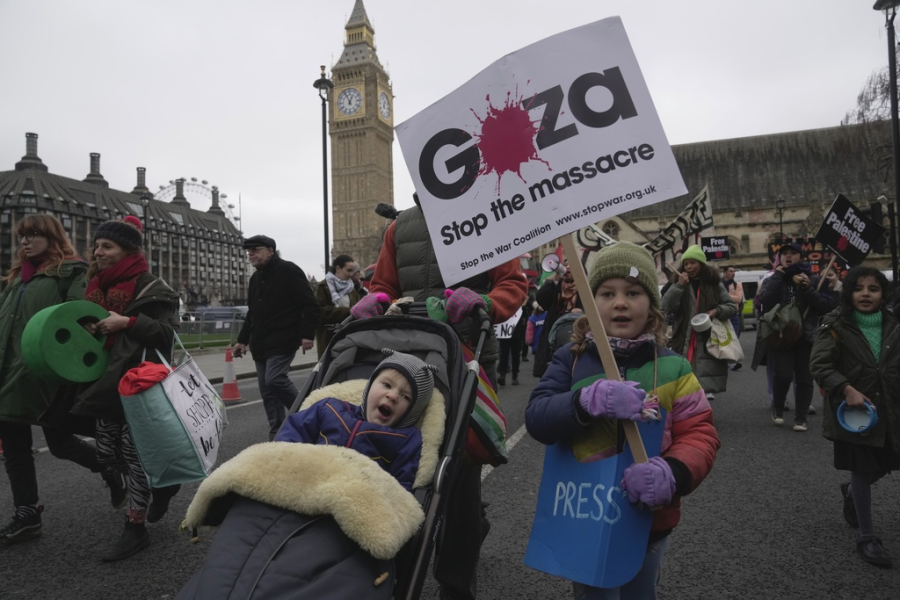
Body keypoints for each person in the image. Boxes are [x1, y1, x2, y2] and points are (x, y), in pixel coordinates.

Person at [526, 241, 720, 599]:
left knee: (640, 592)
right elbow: (538, 418)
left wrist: (673, 473)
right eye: (606, 293)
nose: (620, 302)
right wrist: (585, 401)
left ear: (652, 305)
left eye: (633, 292)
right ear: (590, 301)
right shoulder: (570, 359)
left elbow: (700, 434)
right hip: (584, 515)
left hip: (650, 519)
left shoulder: (675, 367)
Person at [355, 198, 527, 600]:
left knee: (461, 476)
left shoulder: (492, 213)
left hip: (468, 360)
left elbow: (513, 285)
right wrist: (376, 299)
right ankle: (390, 571)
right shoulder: (400, 227)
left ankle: (454, 583)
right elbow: (384, 285)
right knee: (399, 463)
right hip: (406, 359)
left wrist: (485, 303)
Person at [0, 215, 126, 549]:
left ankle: (111, 467)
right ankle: (27, 513)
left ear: (52, 237)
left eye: (33, 235)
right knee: (14, 446)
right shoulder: (17, 279)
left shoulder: (70, 271)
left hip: (44, 374)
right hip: (8, 372)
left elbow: (78, 315)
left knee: (59, 444)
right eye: (22, 237)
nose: (25, 242)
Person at [71, 216, 181, 562]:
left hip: (137, 383)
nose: (97, 252)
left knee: (134, 457)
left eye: (107, 247)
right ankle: (162, 484)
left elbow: (167, 335)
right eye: (97, 246)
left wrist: (127, 322)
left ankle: (135, 527)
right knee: (106, 454)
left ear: (128, 250)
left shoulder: (152, 287)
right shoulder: (93, 286)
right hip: (102, 383)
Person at [810, 267, 899, 568]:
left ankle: (851, 492)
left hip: (892, 409)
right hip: (856, 413)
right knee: (862, 469)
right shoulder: (835, 324)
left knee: (887, 462)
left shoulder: (894, 324)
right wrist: (847, 389)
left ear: (883, 294)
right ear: (848, 294)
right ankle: (867, 536)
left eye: (873, 289)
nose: (865, 294)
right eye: (858, 288)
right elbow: (819, 365)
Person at [276, 349, 437, 492]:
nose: (393, 396)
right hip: (306, 486)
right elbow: (293, 433)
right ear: (369, 387)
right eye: (387, 385)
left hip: (357, 501)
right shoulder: (330, 408)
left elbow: (400, 489)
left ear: (413, 411)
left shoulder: (405, 439)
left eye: (405, 396)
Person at [234, 235, 320, 441]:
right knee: (267, 391)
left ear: (270, 251)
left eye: (256, 249)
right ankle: (277, 433)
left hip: (283, 339)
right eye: (249, 251)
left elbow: (310, 305)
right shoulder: (255, 279)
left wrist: (307, 335)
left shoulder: (289, 271)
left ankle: (309, 414)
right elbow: (252, 313)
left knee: (275, 379)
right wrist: (242, 340)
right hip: (260, 343)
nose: (251, 254)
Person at [757, 242, 835, 431]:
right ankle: (778, 407)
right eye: (784, 254)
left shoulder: (815, 280)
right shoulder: (773, 279)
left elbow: (827, 306)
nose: (788, 256)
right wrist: (778, 276)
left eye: (793, 253)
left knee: (804, 378)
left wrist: (807, 289)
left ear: (801, 257)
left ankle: (801, 417)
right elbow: (764, 302)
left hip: (806, 336)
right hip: (781, 335)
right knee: (782, 375)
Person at [661, 245, 738, 401]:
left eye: (693, 263)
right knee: (683, 381)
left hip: (707, 337)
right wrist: (679, 286)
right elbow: (665, 306)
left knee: (701, 382)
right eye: (686, 263)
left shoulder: (714, 284)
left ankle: (700, 416)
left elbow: (731, 307)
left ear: (701, 264)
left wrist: (716, 311)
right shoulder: (678, 283)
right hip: (683, 337)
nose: (689, 267)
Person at [533, 262, 582, 378]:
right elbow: (542, 301)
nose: (567, 267)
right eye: (566, 264)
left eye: (571, 265)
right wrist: (554, 281)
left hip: (575, 333)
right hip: (553, 334)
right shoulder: (555, 287)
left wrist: (583, 312)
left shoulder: (584, 289)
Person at [315, 254, 364, 357]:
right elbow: (321, 311)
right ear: (338, 268)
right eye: (348, 270)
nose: (351, 274)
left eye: (353, 271)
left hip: (348, 338)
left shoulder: (352, 289)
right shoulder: (324, 287)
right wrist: (349, 311)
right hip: (329, 338)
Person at [721, 265, 744, 371]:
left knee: (735, 337)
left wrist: (724, 295)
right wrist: (731, 296)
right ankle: (731, 362)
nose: (733, 273)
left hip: (734, 314)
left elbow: (738, 299)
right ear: (725, 272)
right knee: (723, 339)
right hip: (722, 314)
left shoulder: (737, 285)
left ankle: (731, 361)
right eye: (730, 271)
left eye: (734, 271)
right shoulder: (719, 284)